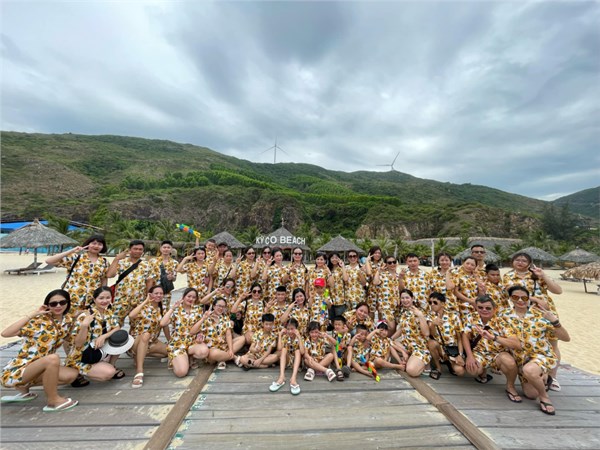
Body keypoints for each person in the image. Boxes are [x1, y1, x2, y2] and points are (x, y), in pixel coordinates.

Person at [1, 289, 79, 412]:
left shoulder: (67, 321)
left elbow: (71, 338)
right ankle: (53, 401)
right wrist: (34, 314)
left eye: (62, 302)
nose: (58, 306)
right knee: (53, 358)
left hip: (41, 366)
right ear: (47, 306)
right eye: (53, 304)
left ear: (68, 303)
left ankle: (25, 386)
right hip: (20, 370)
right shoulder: (39, 321)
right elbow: (6, 333)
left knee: (71, 375)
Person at [501, 286, 570, 415]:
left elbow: (566, 338)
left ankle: (544, 397)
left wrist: (555, 321)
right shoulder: (504, 315)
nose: (520, 300)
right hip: (520, 359)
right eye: (516, 297)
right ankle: (541, 377)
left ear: (529, 299)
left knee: (530, 371)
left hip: (540, 355)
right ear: (510, 298)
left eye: (524, 298)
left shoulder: (540, 315)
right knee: (531, 394)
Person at [503, 252, 563, 391]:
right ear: (512, 262)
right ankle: (535, 372)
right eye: (517, 260)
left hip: (545, 312)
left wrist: (543, 275)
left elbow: (558, 290)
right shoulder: (508, 276)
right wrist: (534, 299)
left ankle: (552, 376)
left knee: (553, 344)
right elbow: (511, 293)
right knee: (529, 342)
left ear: (529, 263)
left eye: (524, 260)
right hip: (523, 313)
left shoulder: (536, 275)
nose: (520, 262)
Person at [462, 295, 522, 404]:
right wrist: (469, 356)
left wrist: (494, 338)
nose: (484, 310)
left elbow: (516, 344)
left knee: (510, 363)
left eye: (488, 308)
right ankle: (482, 372)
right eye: (480, 307)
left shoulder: (502, 322)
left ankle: (510, 386)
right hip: (479, 352)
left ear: (494, 309)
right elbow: (465, 336)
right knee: (472, 370)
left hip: (498, 353)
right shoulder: (471, 317)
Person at [65, 287, 126, 382]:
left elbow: (117, 327)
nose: (105, 301)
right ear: (94, 299)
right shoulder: (86, 316)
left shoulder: (108, 312)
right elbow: (78, 343)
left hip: (97, 350)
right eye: (101, 298)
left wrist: (103, 336)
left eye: (108, 298)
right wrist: (84, 325)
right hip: (83, 355)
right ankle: (75, 370)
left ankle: (110, 364)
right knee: (108, 373)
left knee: (121, 339)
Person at [45, 234, 109, 312]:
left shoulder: (104, 262)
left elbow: (103, 279)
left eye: (100, 244)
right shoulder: (76, 257)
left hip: (92, 299)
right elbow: (49, 261)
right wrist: (72, 251)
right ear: (88, 244)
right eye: (93, 243)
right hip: (72, 297)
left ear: (103, 247)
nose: (96, 246)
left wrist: (103, 296)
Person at [160, 288, 208, 378]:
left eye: (194, 297)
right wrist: (172, 308)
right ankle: (176, 359)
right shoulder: (176, 309)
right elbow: (162, 323)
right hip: (178, 343)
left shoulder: (198, 310)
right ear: (183, 297)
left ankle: (188, 357)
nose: (191, 299)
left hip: (192, 341)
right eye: (189, 296)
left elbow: (200, 327)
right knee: (181, 372)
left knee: (203, 352)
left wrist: (200, 335)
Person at [128, 285, 169, 388]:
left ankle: (140, 355)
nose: (159, 295)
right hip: (137, 340)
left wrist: (170, 341)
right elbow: (131, 315)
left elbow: (165, 326)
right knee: (146, 335)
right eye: (156, 293)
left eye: (161, 293)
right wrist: (146, 301)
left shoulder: (163, 309)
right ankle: (139, 371)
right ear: (150, 294)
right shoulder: (143, 306)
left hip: (152, 341)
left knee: (169, 352)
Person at [106, 240, 155, 326]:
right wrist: (116, 259)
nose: (138, 251)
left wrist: (148, 298)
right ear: (129, 250)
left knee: (137, 325)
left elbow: (149, 281)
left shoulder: (147, 265)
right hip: (120, 299)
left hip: (139, 300)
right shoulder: (121, 262)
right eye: (135, 249)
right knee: (115, 324)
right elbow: (110, 275)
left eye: (140, 249)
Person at [426, 292, 465, 379]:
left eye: (435, 302)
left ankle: (450, 362)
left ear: (443, 304)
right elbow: (432, 335)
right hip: (439, 348)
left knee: (460, 371)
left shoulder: (453, 316)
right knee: (431, 343)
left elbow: (459, 339)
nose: (432, 305)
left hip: (452, 349)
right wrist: (433, 325)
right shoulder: (430, 316)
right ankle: (438, 368)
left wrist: (460, 354)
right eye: (430, 302)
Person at [392, 289, 431, 377]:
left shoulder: (420, 312)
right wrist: (390, 339)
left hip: (419, 347)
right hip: (407, 345)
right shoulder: (404, 312)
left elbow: (426, 333)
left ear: (412, 298)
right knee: (389, 343)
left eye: (407, 298)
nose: (405, 300)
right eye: (402, 298)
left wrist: (420, 316)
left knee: (411, 371)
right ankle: (407, 357)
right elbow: (402, 328)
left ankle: (424, 363)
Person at [197, 298, 236, 369]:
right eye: (219, 306)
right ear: (214, 306)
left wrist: (230, 349)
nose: (221, 308)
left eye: (223, 307)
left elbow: (228, 334)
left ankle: (222, 358)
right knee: (214, 353)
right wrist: (203, 319)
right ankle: (235, 358)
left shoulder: (225, 318)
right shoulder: (206, 317)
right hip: (212, 349)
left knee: (241, 339)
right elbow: (194, 331)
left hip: (223, 347)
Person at [269, 318, 304, 395]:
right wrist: (280, 335)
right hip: (288, 360)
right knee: (284, 349)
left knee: (298, 351)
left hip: (297, 362)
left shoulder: (300, 337)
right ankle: (282, 377)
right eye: (288, 329)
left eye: (292, 329)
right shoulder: (285, 337)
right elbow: (279, 349)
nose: (290, 331)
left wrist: (299, 336)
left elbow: (302, 352)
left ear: (296, 329)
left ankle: (293, 378)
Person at [372, 256, 402, 334]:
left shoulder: (399, 276)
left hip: (397, 306)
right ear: (386, 264)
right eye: (389, 263)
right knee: (391, 326)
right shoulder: (383, 275)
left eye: (394, 262)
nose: (392, 264)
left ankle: (387, 340)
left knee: (394, 327)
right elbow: (375, 282)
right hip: (385, 306)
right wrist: (379, 271)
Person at [231, 282, 265, 347]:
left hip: (260, 331)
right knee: (253, 338)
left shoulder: (264, 303)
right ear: (251, 292)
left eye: (259, 291)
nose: (256, 293)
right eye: (254, 291)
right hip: (248, 331)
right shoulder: (246, 303)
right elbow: (233, 310)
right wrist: (240, 298)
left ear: (261, 293)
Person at [451, 256, 482, 325]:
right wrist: (470, 301)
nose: (469, 266)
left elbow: (481, 289)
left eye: (472, 265)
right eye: (467, 263)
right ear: (463, 263)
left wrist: (477, 300)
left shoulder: (476, 275)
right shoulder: (457, 274)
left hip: (476, 304)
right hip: (463, 304)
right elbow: (455, 292)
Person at [149, 240, 178, 310]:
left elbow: (174, 279)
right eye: (164, 247)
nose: (166, 249)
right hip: (154, 291)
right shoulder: (153, 261)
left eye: (168, 247)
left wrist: (172, 277)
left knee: (165, 310)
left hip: (166, 292)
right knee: (152, 309)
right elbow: (149, 277)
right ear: (160, 248)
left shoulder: (175, 263)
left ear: (171, 249)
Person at [363, 246, 384, 319]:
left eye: (379, 253)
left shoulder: (383, 264)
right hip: (372, 290)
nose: (377, 254)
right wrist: (367, 261)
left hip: (382, 289)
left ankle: (381, 325)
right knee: (371, 311)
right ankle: (370, 325)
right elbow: (369, 273)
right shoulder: (368, 264)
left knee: (381, 311)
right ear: (371, 254)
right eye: (375, 253)